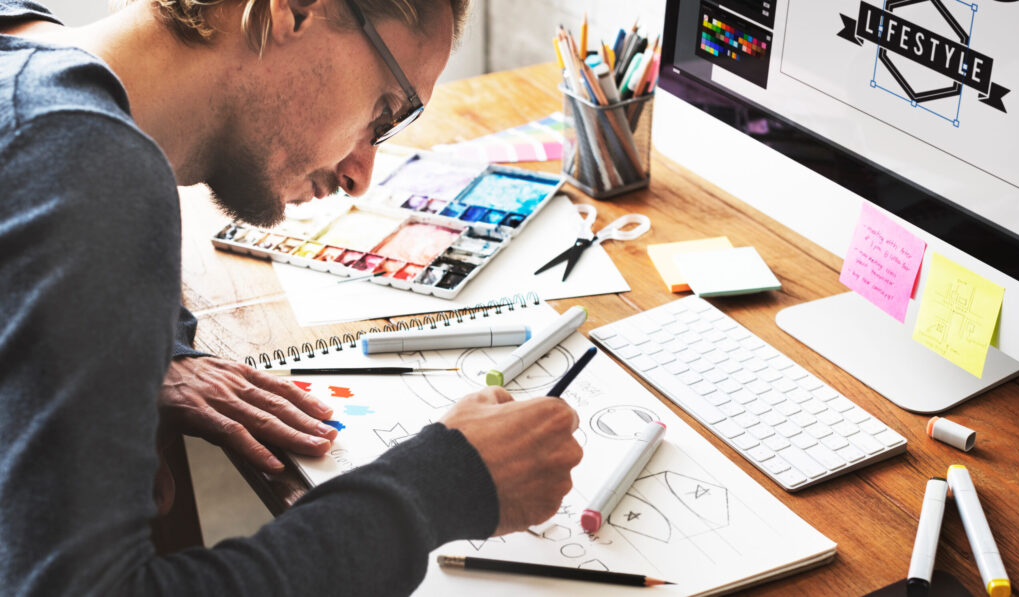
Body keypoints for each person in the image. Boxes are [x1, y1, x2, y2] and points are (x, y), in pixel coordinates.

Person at [0, 0, 583, 594]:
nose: (361, 174)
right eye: (384, 111)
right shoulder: (86, 169)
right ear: (296, 10)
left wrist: (143, 345)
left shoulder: (25, 45)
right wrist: (443, 485)